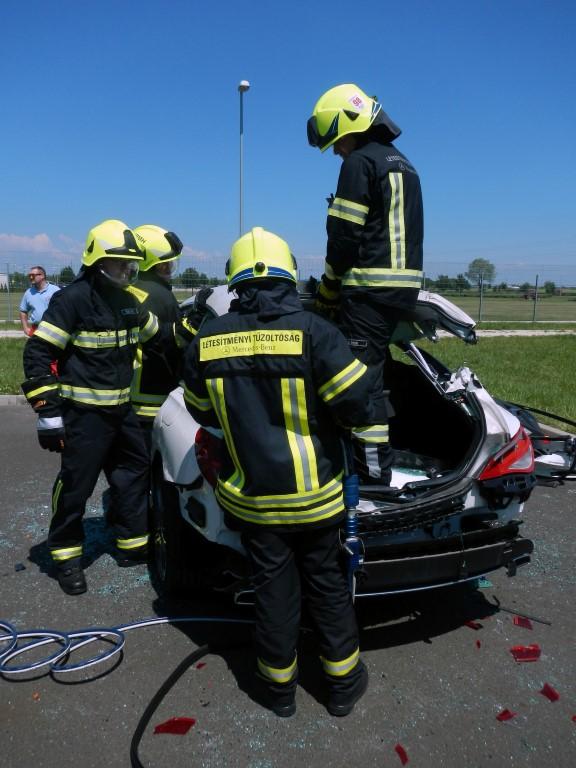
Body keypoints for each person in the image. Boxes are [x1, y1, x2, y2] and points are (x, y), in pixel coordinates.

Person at [183, 226, 376, 718]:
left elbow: (201, 411)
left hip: (254, 501)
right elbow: (357, 407)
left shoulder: (208, 340)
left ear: (235, 280)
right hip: (316, 500)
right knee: (327, 587)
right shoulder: (316, 332)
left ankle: (278, 692)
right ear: (289, 274)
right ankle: (343, 686)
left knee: (274, 594)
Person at [21, 219, 172, 596]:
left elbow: (160, 337)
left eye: (131, 264)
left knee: (132, 476)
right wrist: (48, 411)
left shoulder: (127, 300)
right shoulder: (72, 300)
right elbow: (38, 352)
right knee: (76, 485)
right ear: (97, 262)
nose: (128, 270)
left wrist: (201, 330)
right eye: (121, 264)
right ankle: (66, 556)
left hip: (123, 413)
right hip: (83, 417)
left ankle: (131, 544)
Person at [307, 83, 424, 484]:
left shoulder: (358, 163)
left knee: (362, 384)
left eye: (337, 142)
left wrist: (328, 289)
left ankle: (373, 476)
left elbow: (344, 238)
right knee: (377, 372)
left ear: (350, 126)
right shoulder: (404, 163)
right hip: (401, 291)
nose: (337, 152)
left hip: (368, 290)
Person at [128, 224, 185, 437]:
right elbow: (175, 345)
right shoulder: (162, 297)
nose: (169, 269)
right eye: (165, 265)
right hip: (154, 399)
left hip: (127, 397)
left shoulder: (127, 289)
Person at [19, 266, 60, 336]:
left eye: (33, 275)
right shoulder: (28, 292)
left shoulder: (55, 290)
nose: (31, 277)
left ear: (42, 276)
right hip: (36, 329)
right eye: (29, 275)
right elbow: (23, 311)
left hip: (54, 329)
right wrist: (25, 328)